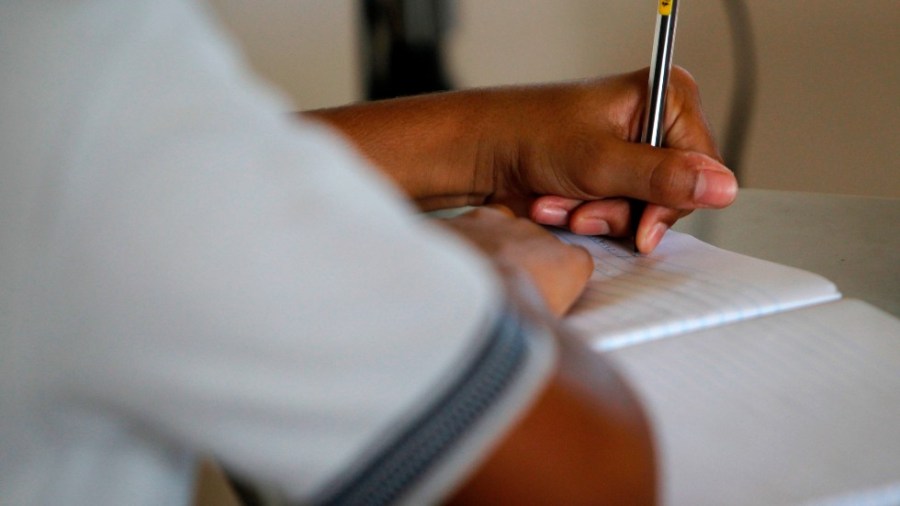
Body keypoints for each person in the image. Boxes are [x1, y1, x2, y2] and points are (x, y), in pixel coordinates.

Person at [0, 1, 737, 505]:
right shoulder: (71, 61)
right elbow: (586, 478)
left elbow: (152, 179)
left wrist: (489, 142)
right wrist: (493, 279)